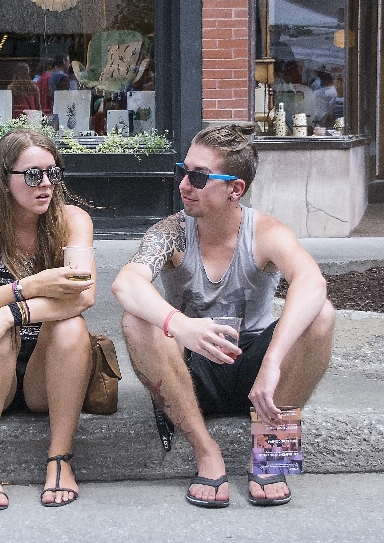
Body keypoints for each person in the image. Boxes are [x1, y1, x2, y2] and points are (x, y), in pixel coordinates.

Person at [111, 123, 335, 509]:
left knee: (322, 315)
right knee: (136, 320)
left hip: (256, 372)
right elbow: (126, 283)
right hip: (191, 373)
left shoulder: (266, 231)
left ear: (236, 189)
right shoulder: (172, 233)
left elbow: (312, 283)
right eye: (183, 171)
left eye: (199, 177)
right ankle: (206, 452)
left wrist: (272, 363)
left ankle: (272, 449)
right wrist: (180, 326)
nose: (184, 184)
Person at [0, 129, 95, 509]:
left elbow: (84, 295)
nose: (45, 184)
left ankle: (60, 460)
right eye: (32, 175)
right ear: (4, 178)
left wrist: (12, 314)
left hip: (44, 369)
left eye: (53, 173)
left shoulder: (72, 220)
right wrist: (29, 287)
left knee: (71, 326)